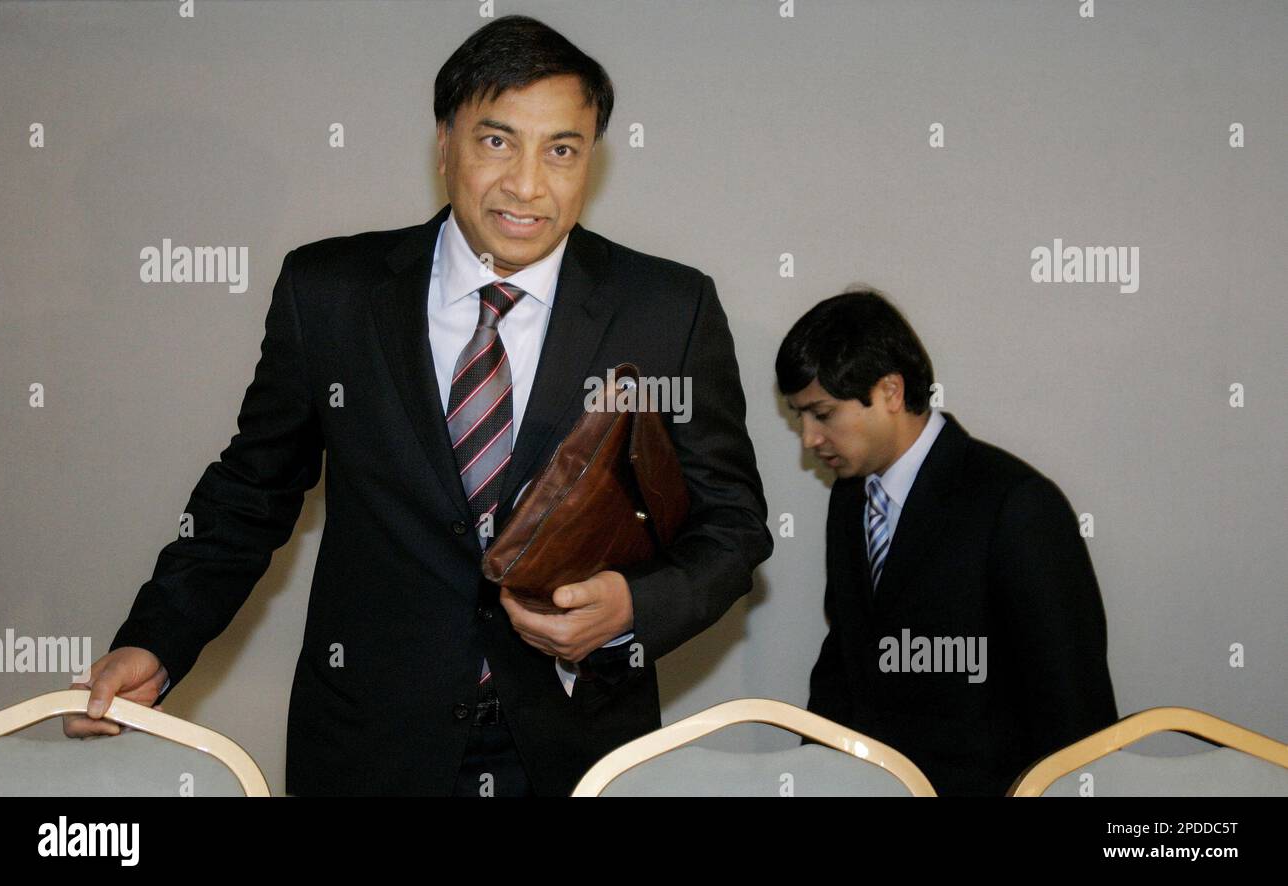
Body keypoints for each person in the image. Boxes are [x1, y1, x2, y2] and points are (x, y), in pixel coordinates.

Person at [64, 15, 773, 797]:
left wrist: (633, 607)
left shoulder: (667, 308)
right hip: (368, 747)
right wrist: (157, 642)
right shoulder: (329, 292)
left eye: (561, 151)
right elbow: (251, 491)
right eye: (497, 141)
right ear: (445, 143)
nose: (527, 184)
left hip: (576, 750)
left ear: (591, 161)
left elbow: (733, 527)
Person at [776, 288, 1117, 796]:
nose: (808, 438)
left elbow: (1073, 708)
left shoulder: (1015, 504)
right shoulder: (851, 498)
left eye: (822, 414)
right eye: (798, 416)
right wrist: (811, 780)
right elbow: (845, 662)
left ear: (890, 391)